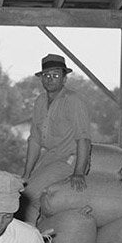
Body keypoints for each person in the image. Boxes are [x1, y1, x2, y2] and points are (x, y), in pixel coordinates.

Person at [20, 53, 92, 220]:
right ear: (41, 79)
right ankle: (37, 231)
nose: (50, 79)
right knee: (24, 189)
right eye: (46, 75)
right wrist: (27, 173)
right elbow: (35, 140)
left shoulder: (74, 101)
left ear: (64, 79)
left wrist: (79, 172)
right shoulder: (39, 101)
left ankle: (26, 235)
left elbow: (83, 139)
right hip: (51, 157)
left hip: (70, 158)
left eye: (55, 75)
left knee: (30, 196)